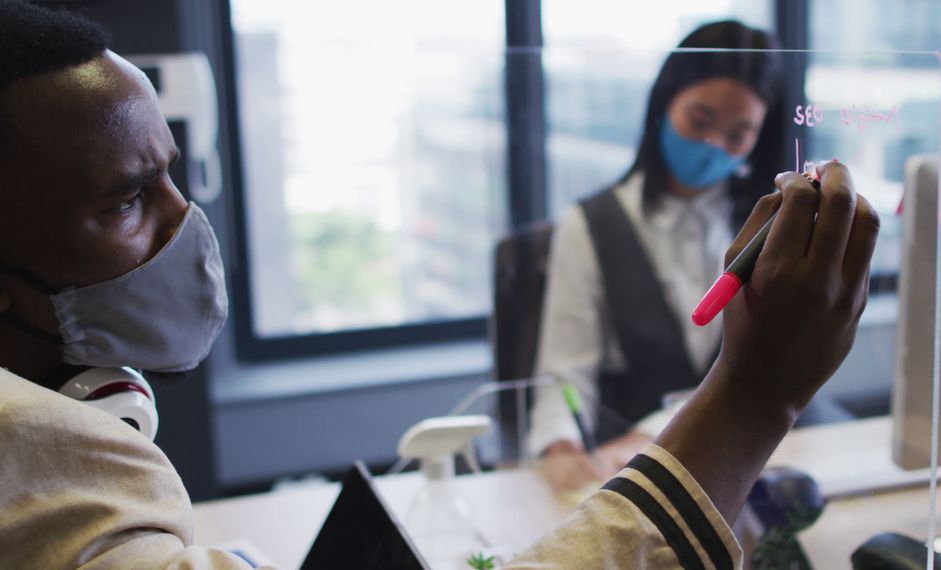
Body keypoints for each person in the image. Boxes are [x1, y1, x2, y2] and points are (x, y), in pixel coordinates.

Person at [0, 3, 879, 568]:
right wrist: (756, 393)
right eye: (125, 199)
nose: (187, 224)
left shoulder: (754, 223)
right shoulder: (42, 461)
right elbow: (558, 399)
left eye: (174, 179)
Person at [528, 21, 793, 490]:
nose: (714, 146)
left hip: (747, 462)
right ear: (663, 103)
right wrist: (562, 448)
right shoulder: (590, 226)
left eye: (738, 134)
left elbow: (773, 369)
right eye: (700, 120)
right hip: (630, 475)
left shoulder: (772, 226)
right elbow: (564, 377)